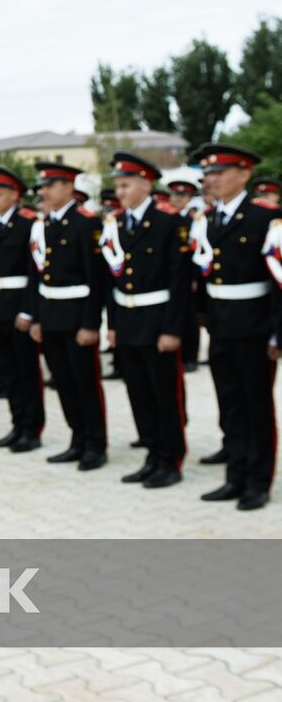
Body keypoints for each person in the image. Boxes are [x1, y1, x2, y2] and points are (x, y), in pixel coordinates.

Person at [194, 143, 279, 510]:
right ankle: (235, 475)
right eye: (208, 174)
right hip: (221, 326)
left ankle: (258, 482)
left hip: (256, 327)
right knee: (229, 404)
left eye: (219, 173)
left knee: (256, 405)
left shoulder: (266, 220)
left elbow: (279, 282)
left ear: (244, 175)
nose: (210, 179)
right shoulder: (208, 219)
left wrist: (278, 333)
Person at [102, 153, 191, 489]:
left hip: (157, 322)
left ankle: (171, 460)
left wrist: (172, 330)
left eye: (125, 185)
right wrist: (112, 324)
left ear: (145, 184)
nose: (120, 192)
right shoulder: (117, 223)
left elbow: (178, 282)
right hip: (128, 320)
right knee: (139, 393)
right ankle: (152, 455)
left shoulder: (169, 221)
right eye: (118, 186)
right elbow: (113, 278)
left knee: (165, 395)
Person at [26, 162, 109, 471]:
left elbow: (96, 279)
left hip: (77, 317)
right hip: (51, 316)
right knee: (63, 381)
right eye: (42, 187)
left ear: (67, 187)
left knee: (85, 382)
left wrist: (91, 324)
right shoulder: (44, 225)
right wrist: (37, 319)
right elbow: (38, 277)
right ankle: (77, 439)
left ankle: (95, 444)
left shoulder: (86, 223)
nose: (43, 192)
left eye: (49, 186)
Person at [0, 166, 46, 452]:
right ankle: (17, 424)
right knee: (7, 372)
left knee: (26, 372)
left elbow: (36, 271)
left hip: (19, 306)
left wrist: (28, 311)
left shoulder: (29, 223)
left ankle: (32, 429)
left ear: (14, 195)